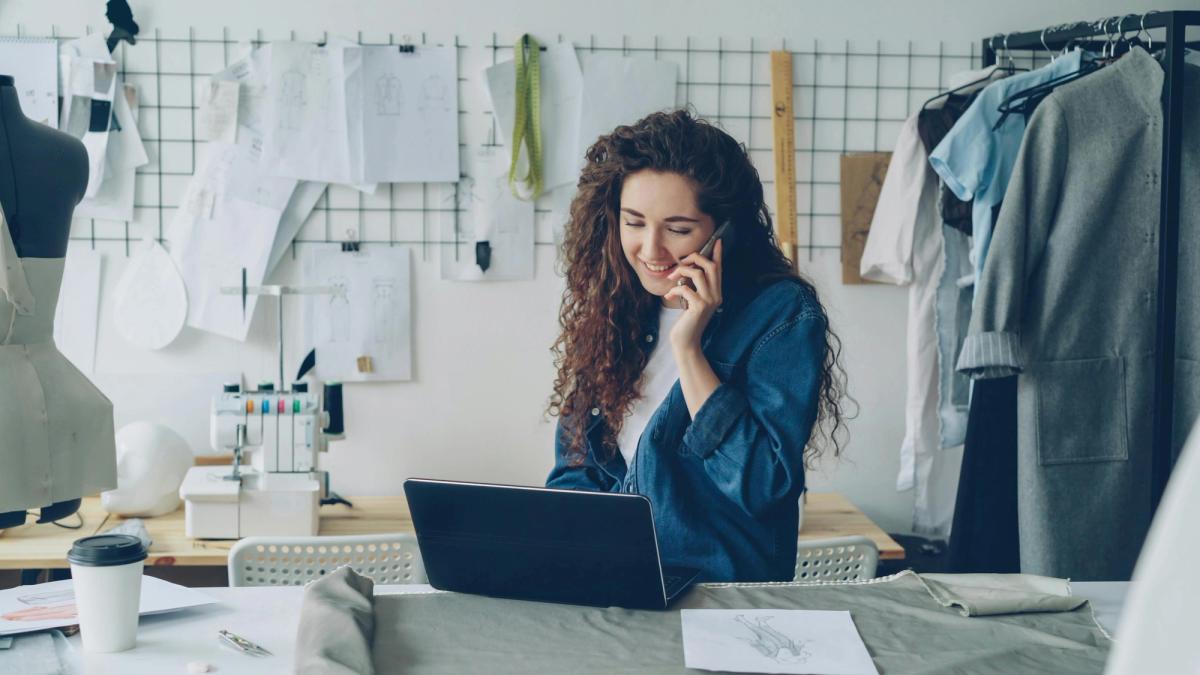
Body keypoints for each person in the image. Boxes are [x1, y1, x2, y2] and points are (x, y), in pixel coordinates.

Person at [546, 109, 847, 582]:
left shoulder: (781, 314)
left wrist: (689, 348)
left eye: (679, 229)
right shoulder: (615, 305)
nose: (650, 249)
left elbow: (764, 485)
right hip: (616, 587)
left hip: (722, 598)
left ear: (724, 231)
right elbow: (576, 468)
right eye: (634, 222)